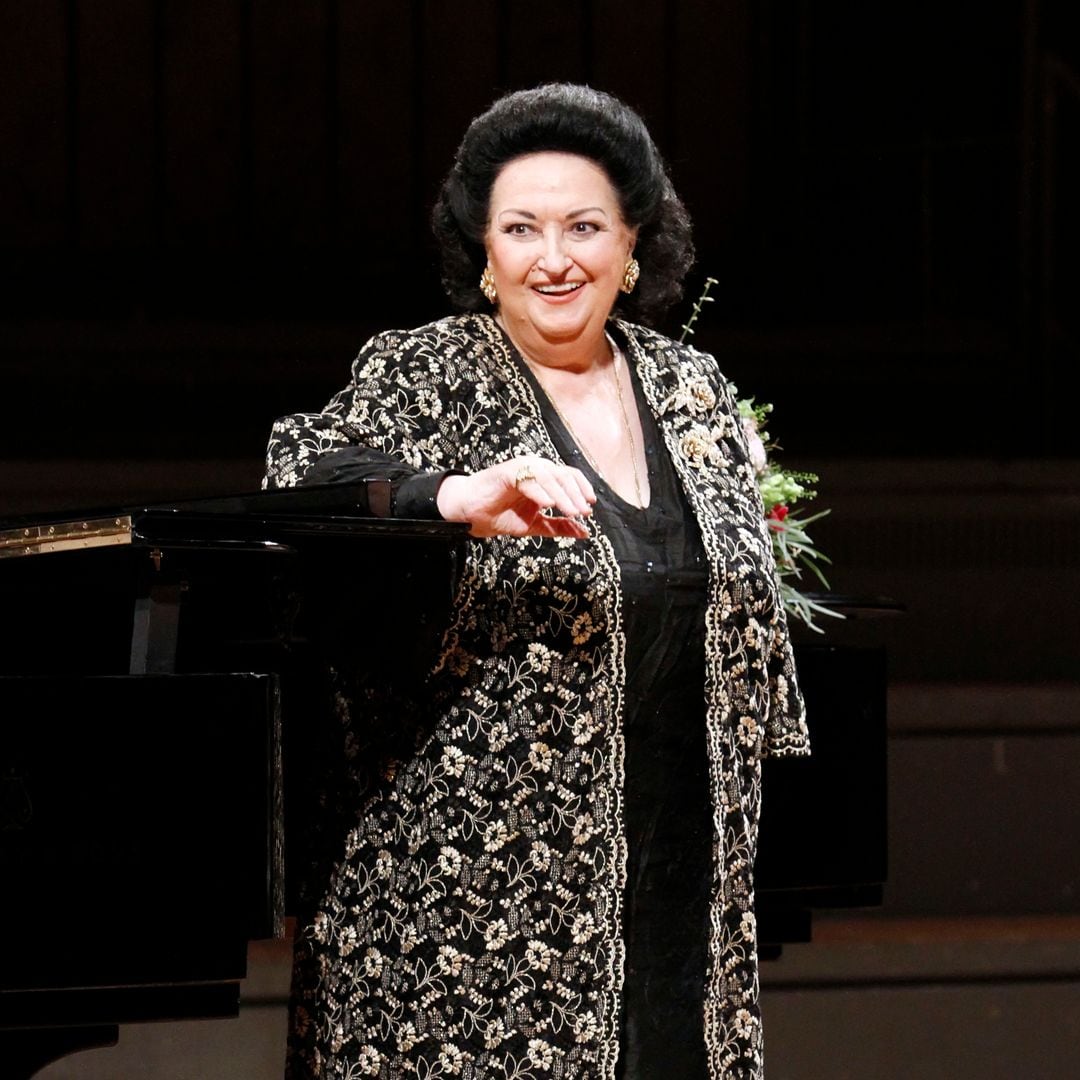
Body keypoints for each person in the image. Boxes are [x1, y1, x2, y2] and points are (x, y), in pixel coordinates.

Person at [263, 82, 809, 1080]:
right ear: (483, 253)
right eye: (521, 229)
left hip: (676, 862)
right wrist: (454, 496)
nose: (554, 259)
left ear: (634, 245)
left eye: (584, 227)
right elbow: (301, 481)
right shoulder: (426, 372)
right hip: (466, 896)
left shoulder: (691, 387)